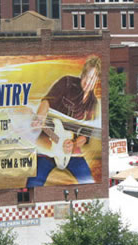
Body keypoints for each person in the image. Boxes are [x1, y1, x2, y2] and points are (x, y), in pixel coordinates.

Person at [27, 56, 101, 187]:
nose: (88, 82)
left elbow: (86, 135)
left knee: (89, 182)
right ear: (82, 74)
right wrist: (39, 116)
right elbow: (46, 101)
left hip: (70, 150)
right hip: (49, 142)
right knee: (32, 184)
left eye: (92, 79)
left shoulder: (93, 102)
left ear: (97, 81)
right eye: (86, 77)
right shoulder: (67, 82)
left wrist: (74, 143)